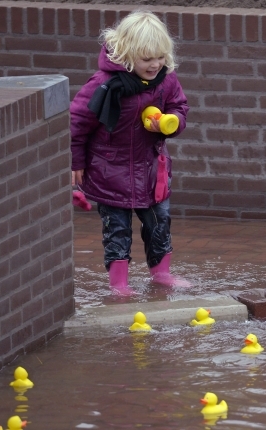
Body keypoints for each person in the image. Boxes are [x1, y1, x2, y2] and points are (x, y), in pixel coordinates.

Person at [69, 10, 190, 295]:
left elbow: (180, 107)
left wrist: (170, 123)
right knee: (117, 230)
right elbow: (78, 123)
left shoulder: (166, 80)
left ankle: (161, 273)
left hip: (151, 170)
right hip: (110, 170)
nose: (155, 64)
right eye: (146, 59)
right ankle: (119, 284)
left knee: (160, 223)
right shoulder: (103, 85)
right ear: (125, 53)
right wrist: (76, 161)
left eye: (160, 57)